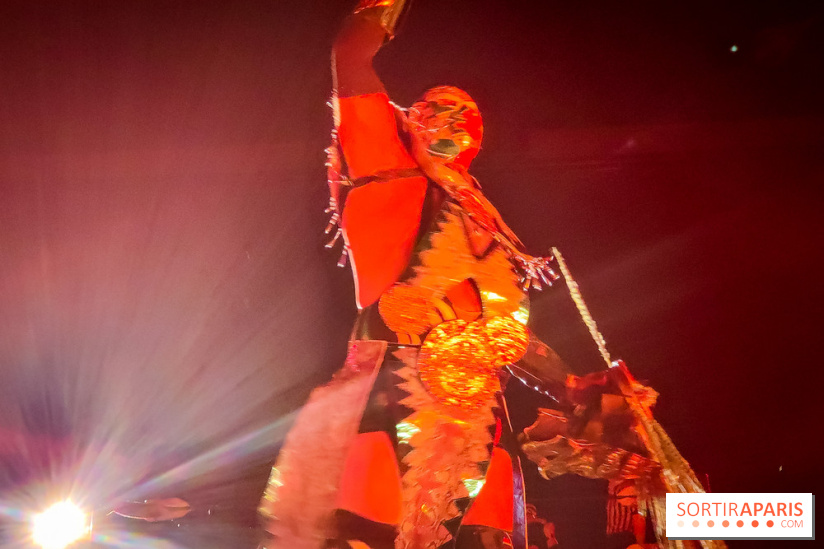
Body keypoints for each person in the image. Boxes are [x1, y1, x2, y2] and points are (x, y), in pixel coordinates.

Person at [258, 2, 568, 548]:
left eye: (465, 114)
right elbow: (350, 55)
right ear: (408, 121)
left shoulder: (485, 220)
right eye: (435, 108)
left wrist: (575, 386)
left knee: (486, 540)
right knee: (369, 537)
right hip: (393, 382)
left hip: (481, 408)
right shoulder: (387, 173)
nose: (452, 120)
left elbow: (507, 332)